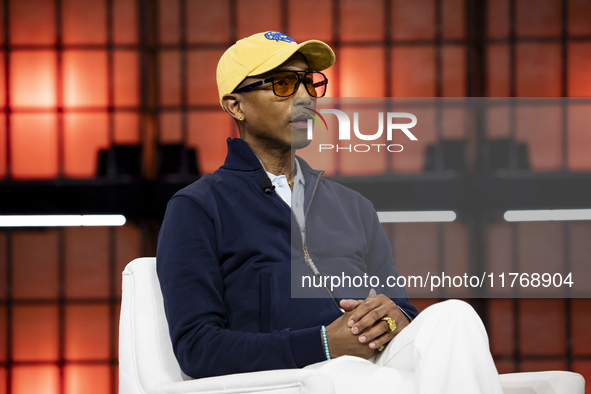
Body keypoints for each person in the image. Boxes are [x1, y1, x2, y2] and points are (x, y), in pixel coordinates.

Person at [157, 31, 504, 394]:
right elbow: (197, 348)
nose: (306, 96)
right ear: (235, 105)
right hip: (292, 377)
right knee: (353, 377)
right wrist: (322, 344)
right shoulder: (198, 207)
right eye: (284, 83)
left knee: (455, 315)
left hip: (378, 362)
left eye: (309, 82)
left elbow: (400, 307)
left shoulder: (354, 206)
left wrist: (393, 318)